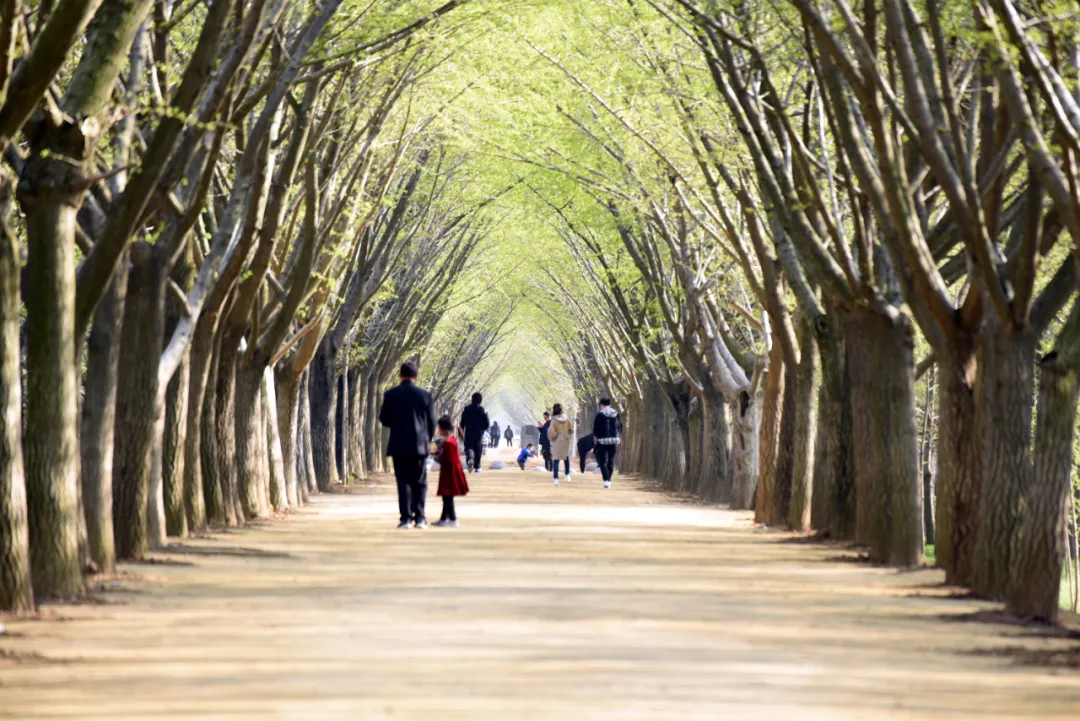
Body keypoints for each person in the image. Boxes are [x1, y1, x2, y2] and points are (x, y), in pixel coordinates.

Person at [378, 362, 436, 529]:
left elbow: (384, 419)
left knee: (403, 482)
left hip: (399, 445)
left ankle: (405, 519)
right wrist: (427, 439)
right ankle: (420, 518)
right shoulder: (425, 395)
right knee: (419, 481)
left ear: (400, 376)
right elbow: (432, 422)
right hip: (419, 445)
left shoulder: (391, 394)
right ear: (415, 377)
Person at [435, 416, 469, 527]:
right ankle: (444, 518)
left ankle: (453, 518)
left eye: (438, 428)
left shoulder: (449, 442)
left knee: (448, 497)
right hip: (449, 472)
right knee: (447, 497)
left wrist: (438, 456)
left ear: (443, 429)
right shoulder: (451, 440)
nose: (437, 430)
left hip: (450, 474)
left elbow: (449, 459)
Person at [593, 397, 623, 489]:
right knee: (611, 461)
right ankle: (609, 479)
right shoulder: (616, 414)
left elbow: (595, 428)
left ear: (601, 405)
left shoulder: (599, 415)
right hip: (614, 440)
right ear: (609, 405)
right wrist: (617, 436)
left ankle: (606, 480)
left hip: (602, 441)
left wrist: (596, 437)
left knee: (603, 461)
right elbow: (620, 427)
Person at [459, 392, 490, 473]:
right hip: (479, 433)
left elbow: (462, 423)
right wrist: (482, 430)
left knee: (468, 447)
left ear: (472, 399)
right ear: (480, 400)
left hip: (468, 432)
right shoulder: (483, 410)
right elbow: (487, 424)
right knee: (478, 449)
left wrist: (462, 431)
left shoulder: (466, 409)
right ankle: (477, 467)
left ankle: (469, 460)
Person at [547, 403, 574, 485]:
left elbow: (551, 431)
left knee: (556, 459)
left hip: (557, 440)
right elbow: (571, 429)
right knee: (566, 458)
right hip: (566, 440)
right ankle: (567, 475)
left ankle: (556, 479)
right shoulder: (567, 418)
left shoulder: (554, 420)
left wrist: (553, 436)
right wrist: (568, 434)